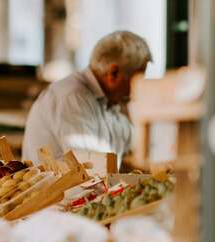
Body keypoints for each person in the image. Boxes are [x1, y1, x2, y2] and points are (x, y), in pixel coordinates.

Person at [23, 30, 152, 163]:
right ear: (113, 73)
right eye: (136, 79)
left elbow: (134, 141)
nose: (137, 88)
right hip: (64, 184)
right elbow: (92, 168)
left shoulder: (108, 103)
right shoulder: (72, 97)